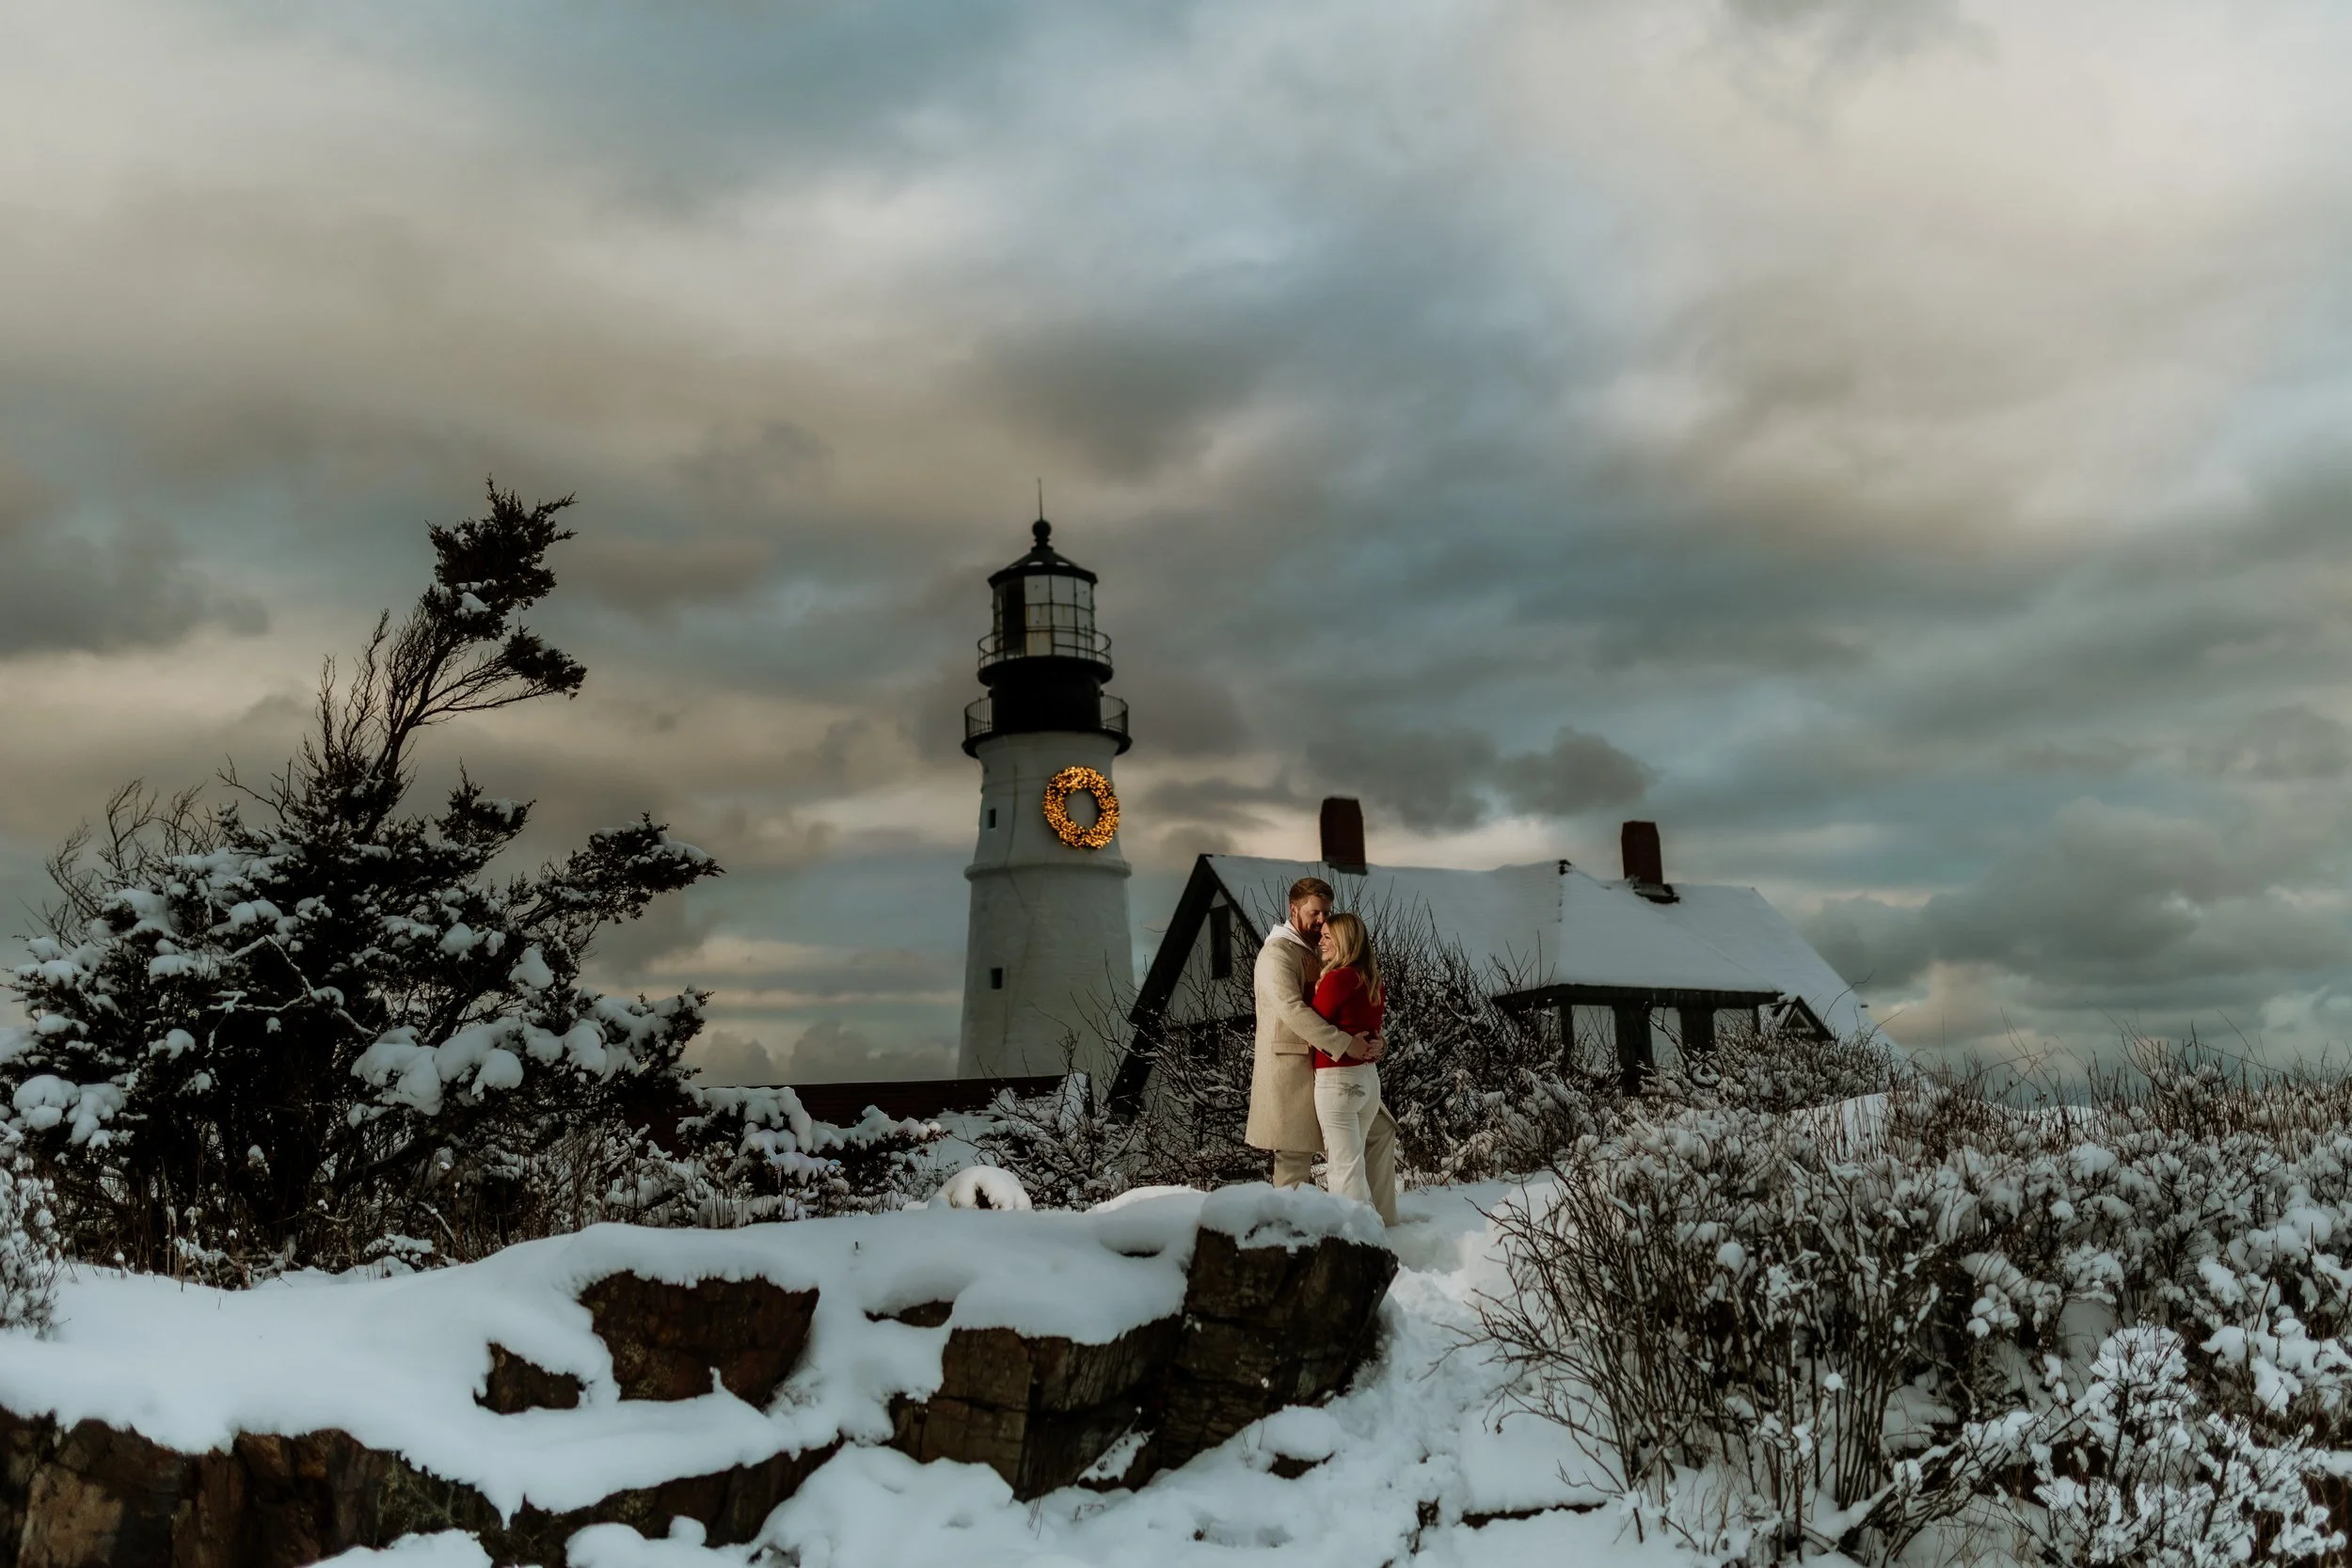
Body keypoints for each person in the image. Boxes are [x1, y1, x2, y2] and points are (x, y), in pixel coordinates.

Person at [1248, 878, 1380, 1191]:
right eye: (1315, 913)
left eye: (1326, 913)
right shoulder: (1276, 954)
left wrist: (1376, 1043)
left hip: (1334, 1071)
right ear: (1294, 909)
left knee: (1380, 1135)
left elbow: (1354, 1007)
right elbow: (1292, 1010)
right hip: (1291, 1072)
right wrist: (1346, 1044)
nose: (1322, 920)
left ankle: (1382, 1223)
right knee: (1294, 1159)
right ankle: (1291, 1234)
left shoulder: (1319, 949)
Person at [1311, 911, 1400, 1225]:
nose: (1320, 943)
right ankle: (1372, 1237)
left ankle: (1359, 1247)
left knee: (1344, 1171)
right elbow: (1371, 1032)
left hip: (1339, 1082)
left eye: (1327, 938)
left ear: (1345, 942)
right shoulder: (1372, 981)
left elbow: (1312, 1028)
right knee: (1353, 1168)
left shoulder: (1337, 979)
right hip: (1367, 1083)